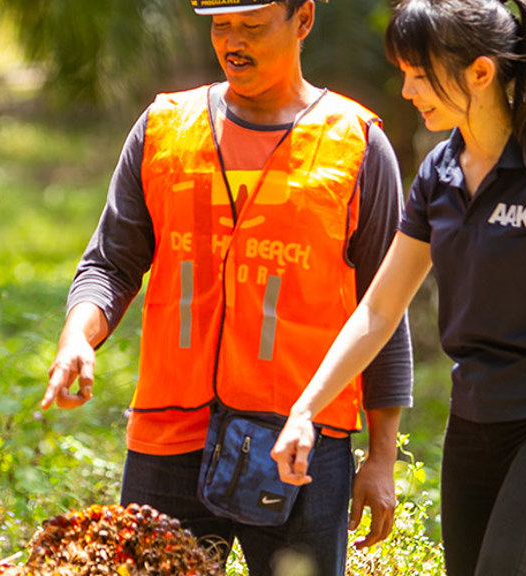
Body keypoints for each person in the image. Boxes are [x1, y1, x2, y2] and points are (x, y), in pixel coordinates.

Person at [268, 0, 526, 573]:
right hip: (472, 422)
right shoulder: (436, 174)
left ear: (481, 72)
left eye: (420, 75)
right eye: (403, 73)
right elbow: (379, 309)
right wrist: (306, 408)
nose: (406, 90)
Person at [39, 1, 413, 573]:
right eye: (221, 26)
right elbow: (110, 265)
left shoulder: (357, 144)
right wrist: (76, 339)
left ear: (304, 19)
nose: (233, 42)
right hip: (169, 438)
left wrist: (381, 458)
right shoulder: (164, 129)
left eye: (254, 27)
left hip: (299, 446)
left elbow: (383, 307)